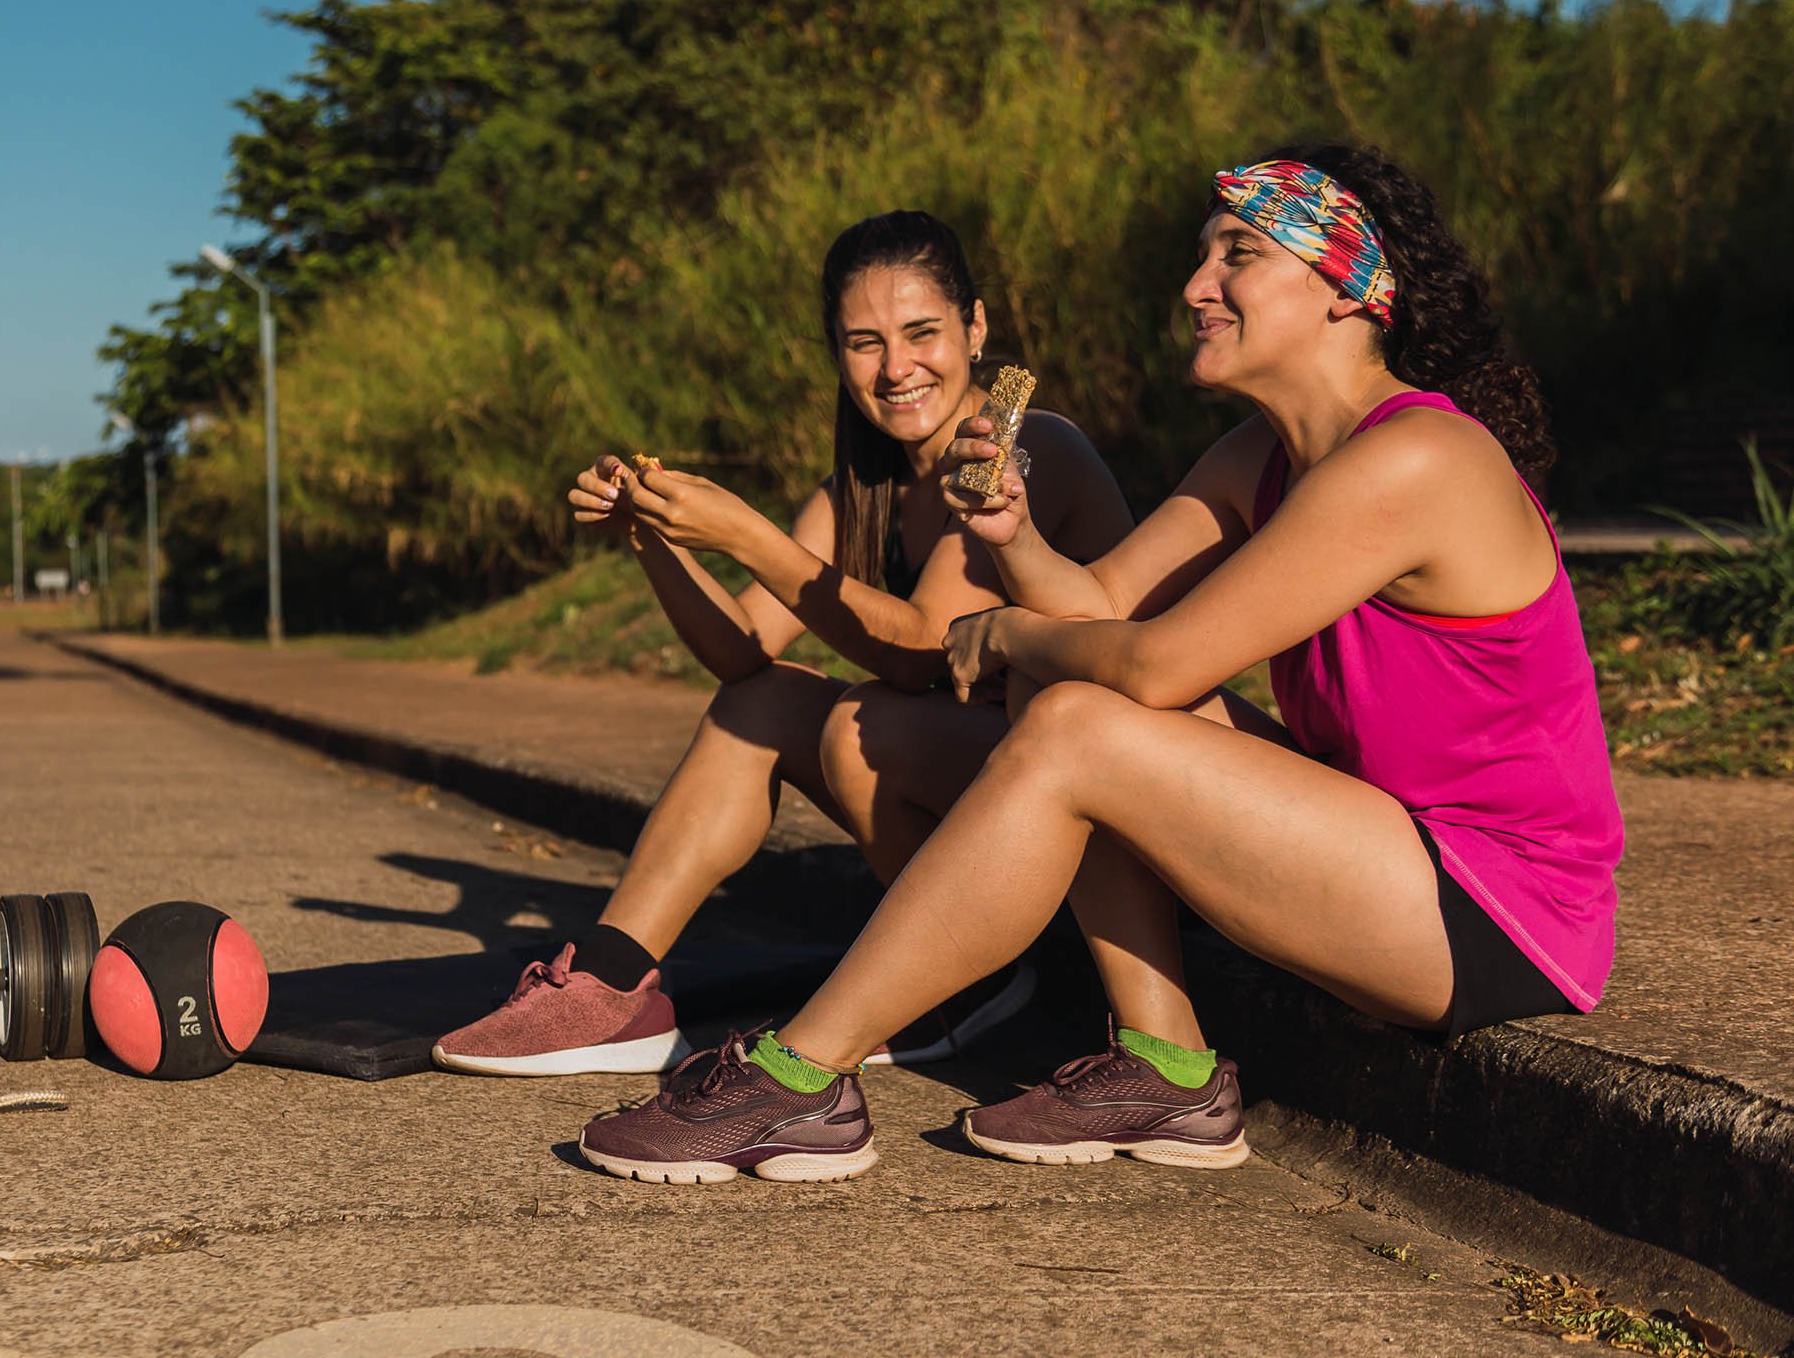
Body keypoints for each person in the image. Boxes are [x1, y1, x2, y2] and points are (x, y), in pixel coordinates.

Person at [573, 144, 1623, 1184]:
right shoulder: (1265, 455)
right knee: (1063, 688)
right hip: (1382, 842)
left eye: (1238, 255)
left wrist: (1009, 629)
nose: (1195, 285)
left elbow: (1157, 666)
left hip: (1495, 904)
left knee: (1078, 713)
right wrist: (1016, 537)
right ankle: (1165, 1062)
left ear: (1345, 289)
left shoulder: (1414, 457)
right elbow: (1105, 605)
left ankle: (800, 1075)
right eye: (1203, 255)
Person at [432, 210, 1132, 1076]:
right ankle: (615, 988)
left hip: (1092, 814)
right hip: (983, 794)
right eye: (865, 343)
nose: (896, 368)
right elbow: (741, 655)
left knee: (857, 722)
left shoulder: (1025, 448)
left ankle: (961, 984)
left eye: (922, 334)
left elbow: (923, 651)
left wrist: (747, 534)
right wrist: (653, 534)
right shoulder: (858, 489)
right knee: (760, 703)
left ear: (976, 327)